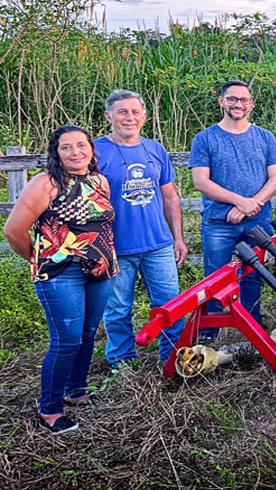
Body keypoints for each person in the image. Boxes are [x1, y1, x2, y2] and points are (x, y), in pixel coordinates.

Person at [4, 125, 118, 434]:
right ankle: (50, 409)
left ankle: (76, 391)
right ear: (56, 152)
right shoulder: (46, 184)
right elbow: (14, 230)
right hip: (60, 273)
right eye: (66, 147)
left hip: (100, 269)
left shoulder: (100, 181)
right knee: (66, 340)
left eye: (82, 145)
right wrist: (36, 256)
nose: (76, 152)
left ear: (91, 149)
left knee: (88, 333)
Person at [95, 90, 188, 369]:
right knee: (117, 309)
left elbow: (170, 197)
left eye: (135, 112)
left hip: (158, 244)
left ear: (144, 116)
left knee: (170, 304)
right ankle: (122, 364)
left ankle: (170, 358)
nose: (129, 117)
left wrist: (178, 238)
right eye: (122, 111)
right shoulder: (96, 151)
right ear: (109, 116)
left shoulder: (154, 149)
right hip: (115, 247)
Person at [189, 80, 276, 338]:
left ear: (251, 104)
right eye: (232, 99)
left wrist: (250, 205)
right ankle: (212, 332)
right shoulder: (205, 138)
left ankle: (253, 326)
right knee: (216, 277)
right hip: (219, 221)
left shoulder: (265, 137)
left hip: (257, 219)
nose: (237, 104)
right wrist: (239, 202)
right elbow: (201, 181)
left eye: (243, 100)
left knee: (254, 273)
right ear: (221, 101)